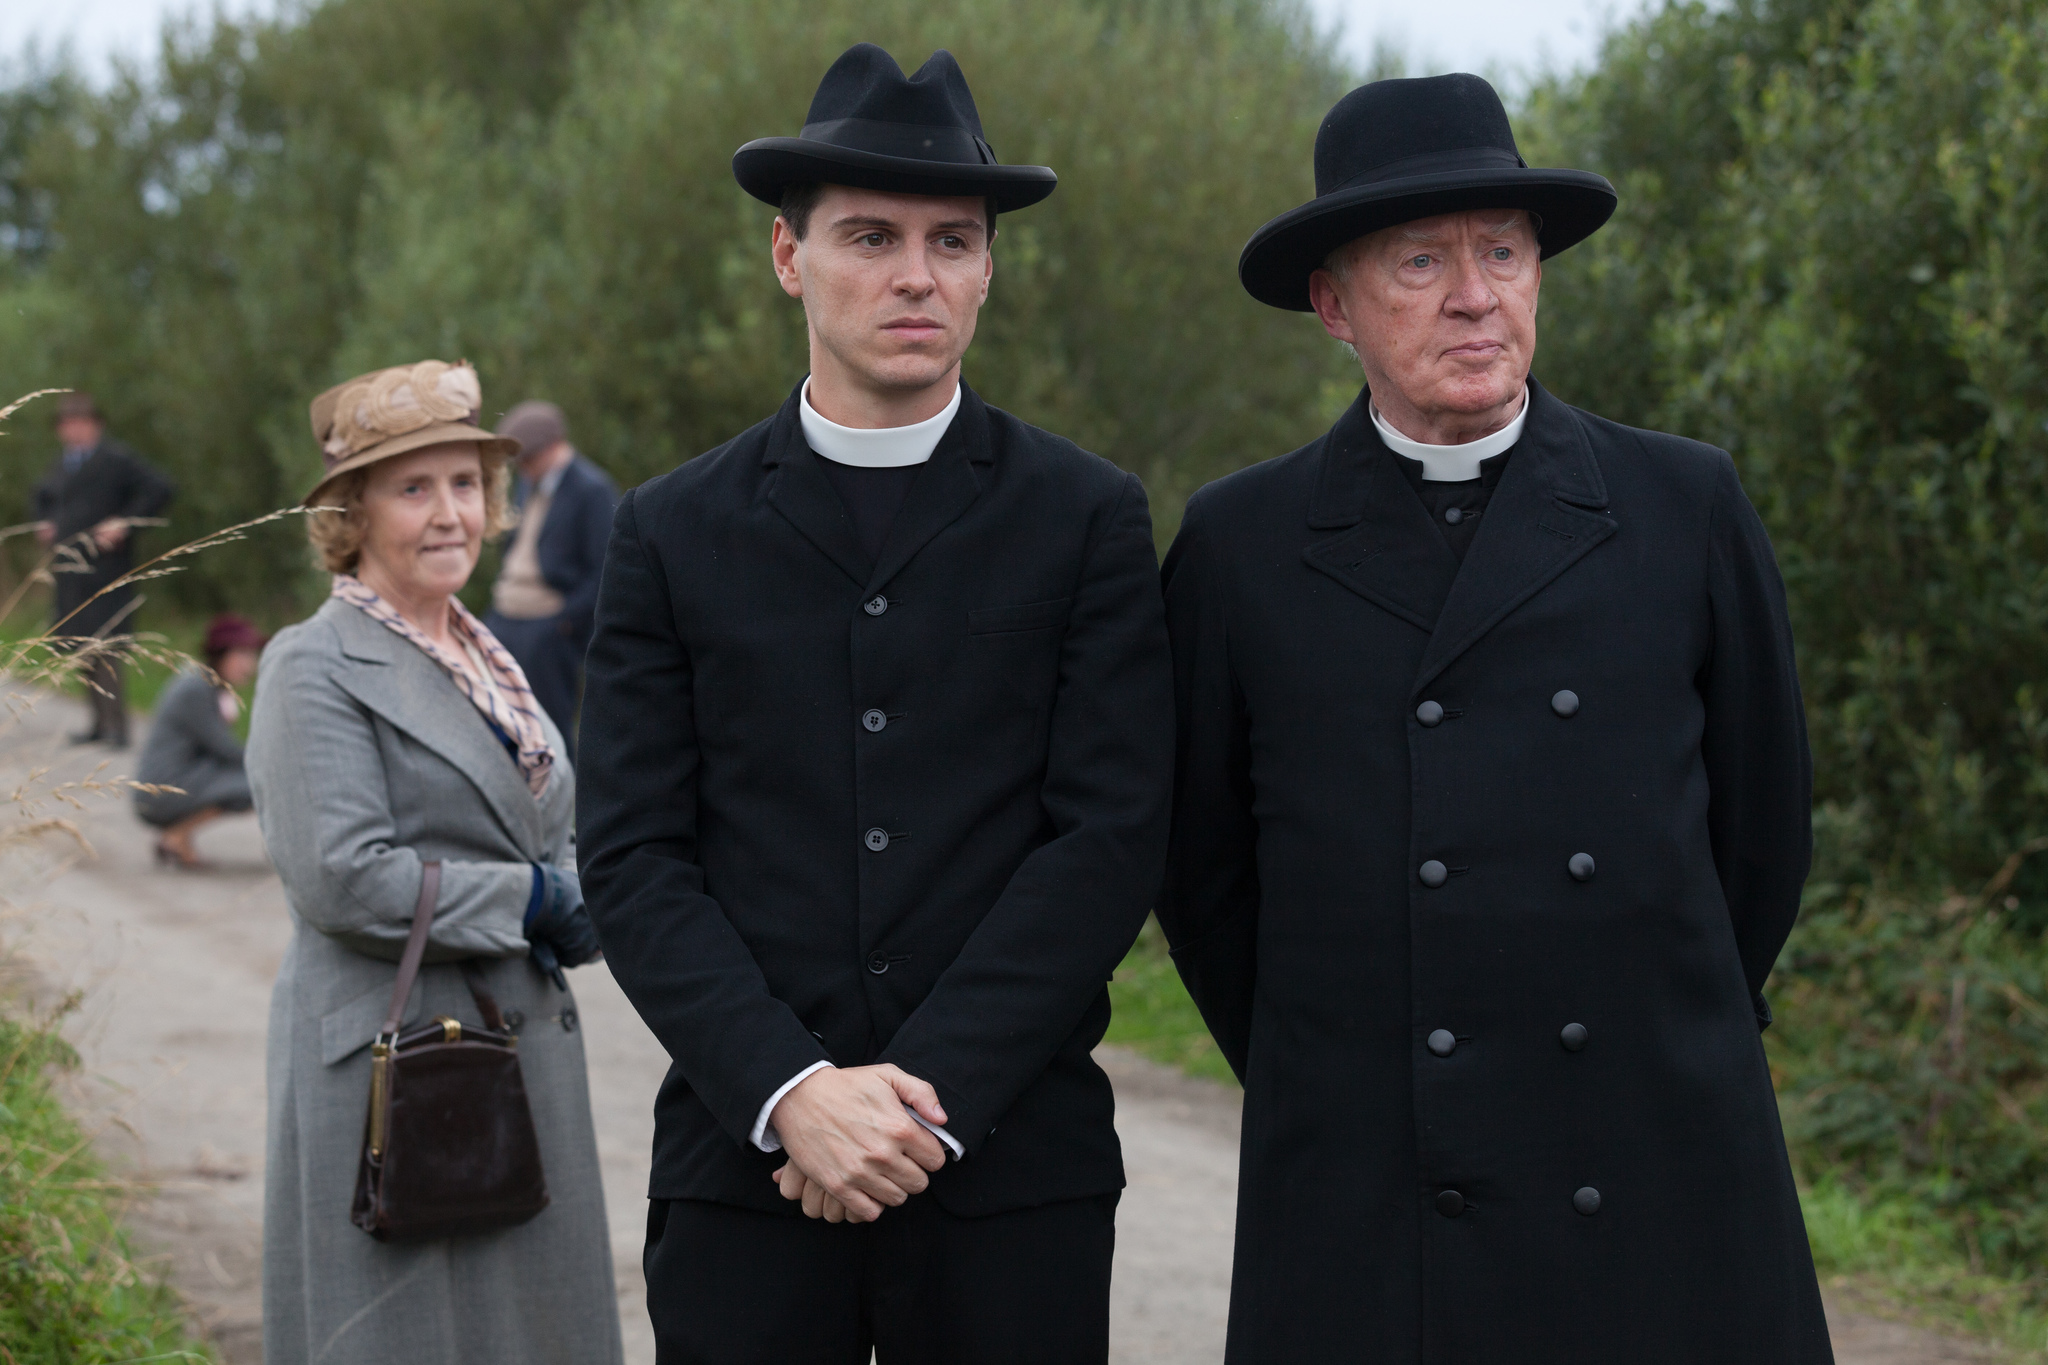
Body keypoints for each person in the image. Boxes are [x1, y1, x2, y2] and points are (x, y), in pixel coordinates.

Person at [1157, 74, 1832, 1363]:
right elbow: (1203, 879)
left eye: (1502, 253)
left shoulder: (1680, 505)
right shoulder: (1240, 545)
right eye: (1419, 260)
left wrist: (1653, 1017)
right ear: (1332, 304)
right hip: (1370, 1175)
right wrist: (1349, 1059)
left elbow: (1763, 833)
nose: (1475, 294)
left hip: (1652, 1151)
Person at [577, 45, 1173, 1365]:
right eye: (871, 236)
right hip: (750, 1173)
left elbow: (1108, 837)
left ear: (988, 267)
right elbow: (632, 851)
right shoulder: (669, 531)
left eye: (952, 239)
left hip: (1015, 1174)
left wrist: (922, 1105)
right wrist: (790, 1091)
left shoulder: (1085, 518)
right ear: (789, 258)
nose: (917, 273)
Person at [247, 359, 623, 1365]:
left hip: (514, 1050)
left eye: (465, 483)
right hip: (399, 1073)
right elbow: (342, 876)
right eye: (413, 488)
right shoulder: (311, 665)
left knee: (530, 1334)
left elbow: (533, 819)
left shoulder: (484, 655)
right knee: (408, 1339)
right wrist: (535, 899)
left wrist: (581, 876)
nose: (450, 513)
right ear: (351, 515)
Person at [31, 392, 176, 748]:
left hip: (107, 569)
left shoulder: (116, 459)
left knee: (107, 646)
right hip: (69, 571)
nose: (73, 429)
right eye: (67, 423)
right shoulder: (64, 464)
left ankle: (118, 728)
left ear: (97, 424)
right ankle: (97, 724)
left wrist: (124, 522)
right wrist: (44, 522)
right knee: (81, 645)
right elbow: (42, 497)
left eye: (80, 422)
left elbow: (161, 488)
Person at [483, 400, 618, 752]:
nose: (522, 468)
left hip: (547, 627)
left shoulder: (593, 490)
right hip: (504, 617)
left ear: (554, 446)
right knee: (493, 720)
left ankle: (562, 805)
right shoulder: (529, 483)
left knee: (549, 729)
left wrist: (563, 624)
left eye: (527, 459)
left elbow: (604, 571)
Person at [134, 613, 266, 868]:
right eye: (242, 655)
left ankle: (179, 837)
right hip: (159, 791)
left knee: (246, 777)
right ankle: (176, 837)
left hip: (175, 780)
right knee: (254, 784)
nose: (250, 665)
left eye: (252, 655)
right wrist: (273, 765)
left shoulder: (206, 685)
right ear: (220, 654)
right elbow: (224, 750)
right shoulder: (196, 689)